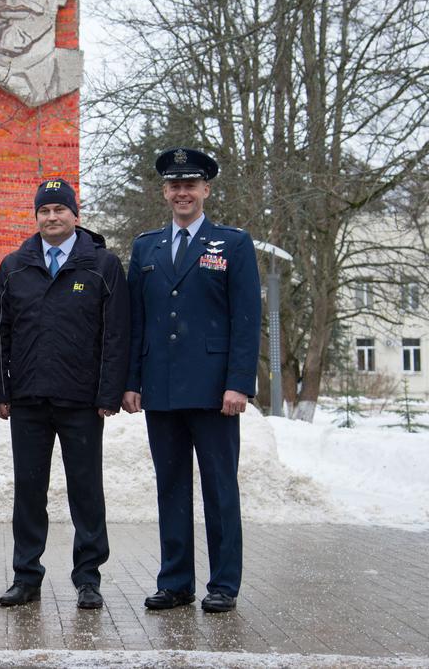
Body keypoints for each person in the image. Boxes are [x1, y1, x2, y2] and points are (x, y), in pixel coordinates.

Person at [124, 148, 261, 614]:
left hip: (214, 391)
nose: (182, 193)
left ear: (205, 190)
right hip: (161, 389)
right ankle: (176, 581)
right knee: (171, 487)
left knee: (220, 487)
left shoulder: (233, 244)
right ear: (164, 192)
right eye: (174, 186)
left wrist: (239, 382)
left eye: (191, 185)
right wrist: (131, 380)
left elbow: (247, 318)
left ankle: (223, 583)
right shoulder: (147, 247)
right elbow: (135, 320)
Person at [0, 178, 129, 610]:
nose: (52, 217)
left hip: (80, 401)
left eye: (59, 210)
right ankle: (26, 575)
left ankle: (88, 577)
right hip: (29, 400)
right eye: (44, 211)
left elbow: (116, 334)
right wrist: (1, 390)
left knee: (86, 491)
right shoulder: (14, 266)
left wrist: (108, 393)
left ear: (75, 215)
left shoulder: (101, 267)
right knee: (28, 492)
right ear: (36, 217)